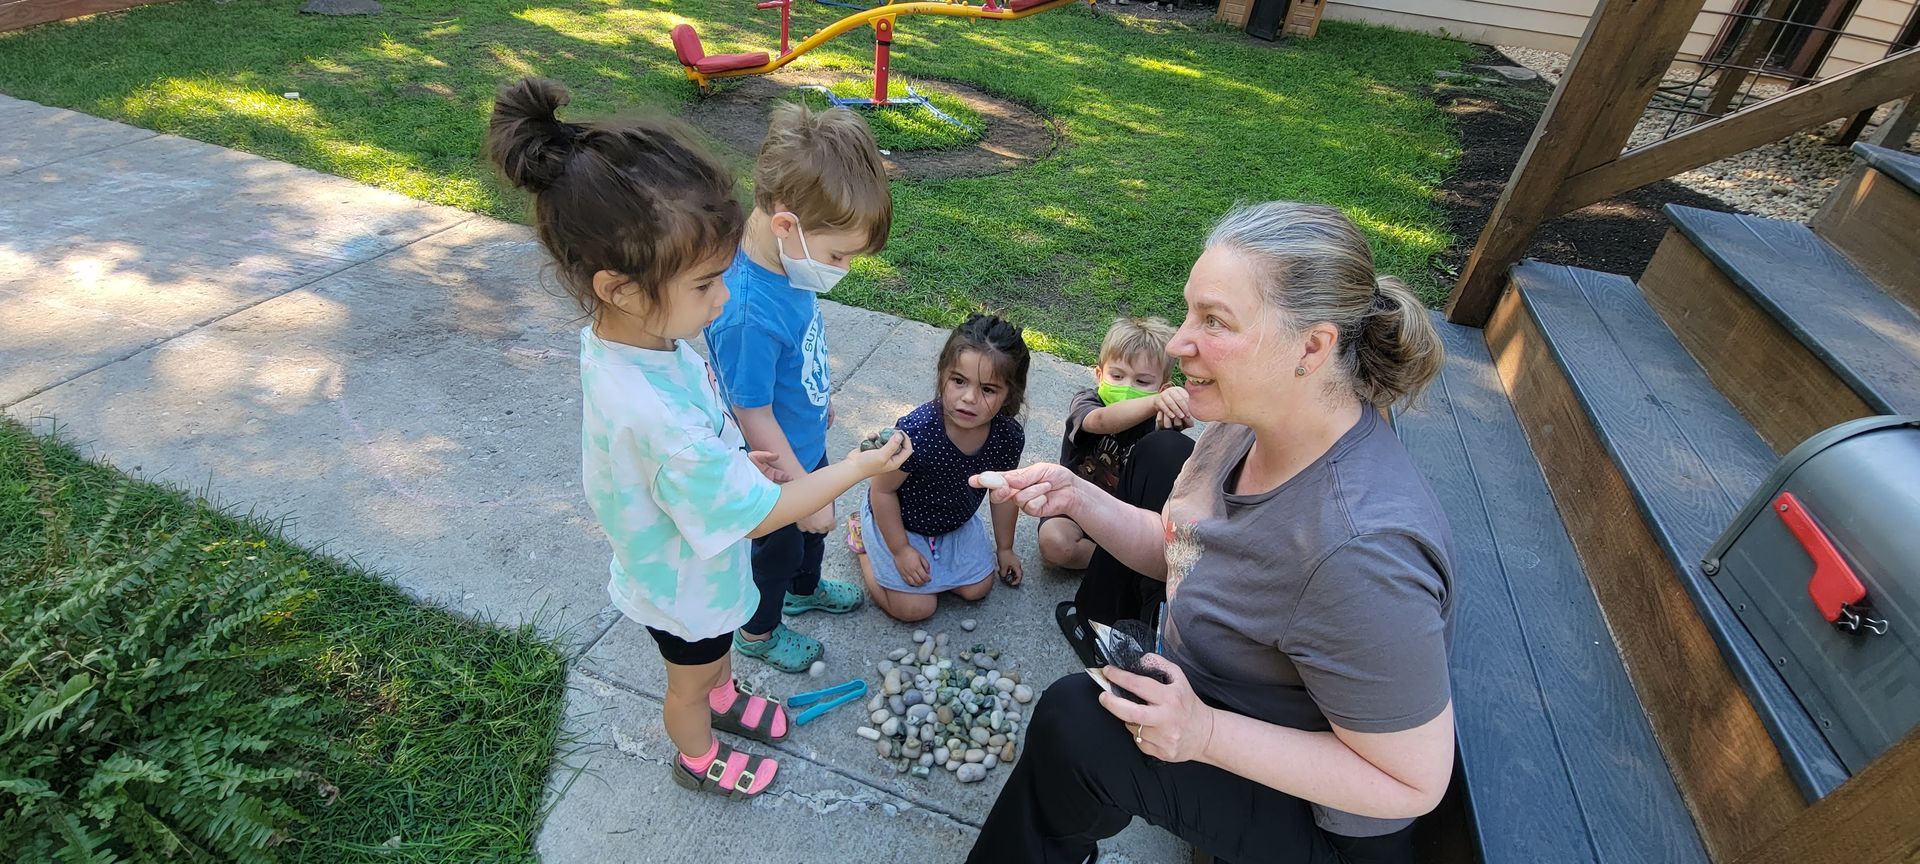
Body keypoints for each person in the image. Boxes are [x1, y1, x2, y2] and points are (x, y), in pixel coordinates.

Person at [966, 202, 1456, 863]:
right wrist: (1076, 496)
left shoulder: (1359, 552)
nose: (1176, 344)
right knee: (1158, 466)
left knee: (1075, 721)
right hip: (1234, 705)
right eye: (1190, 312)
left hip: (1327, 826)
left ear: (1312, 347)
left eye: (1215, 322)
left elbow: (1411, 782)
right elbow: (1181, 551)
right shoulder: (1245, 423)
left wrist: (1203, 734)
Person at [487, 78, 911, 799]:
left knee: (715, 659)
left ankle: (724, 692)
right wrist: (856, 468)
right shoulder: (656, 415)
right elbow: (751, 508)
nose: (723, 301)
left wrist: (730, 456)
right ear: (619, 285)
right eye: (708, 284)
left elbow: (689, 440)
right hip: (682, 585)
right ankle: (696, 752)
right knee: (689, 675)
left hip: (694, 552)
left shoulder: (639, 338)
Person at [705, 102, 894, 673]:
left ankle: (804, 589)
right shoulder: (745, 312)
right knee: (780, 545)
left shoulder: (787, 264)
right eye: (838, 255)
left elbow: (801, 343)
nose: (841, 268)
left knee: (814, 533)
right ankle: (760, 632)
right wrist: (806, 487)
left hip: (803, 436)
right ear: (787, 225)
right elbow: (751, 410)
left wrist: (821, 391)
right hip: (771, 465)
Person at [849, 314, 1030, 622]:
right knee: (916, 609)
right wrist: (900, 550)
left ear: (1009, 395)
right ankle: (863, 542)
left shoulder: (1008, 437)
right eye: (958, 381)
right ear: (942, 374)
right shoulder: (917, 433)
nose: (969, 398)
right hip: (899, 522)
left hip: (952, 524)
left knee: (978, 588)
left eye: (988, 389)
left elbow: (1003, 494)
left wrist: (1005, 549)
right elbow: (882, 490)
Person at [1037, 316, 1197, 627]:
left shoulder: (1156, 419)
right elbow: (1100, 423)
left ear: (1163, 387)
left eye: (1142, 381)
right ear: (1099, 374)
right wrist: (1153, 402)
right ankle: (1121, 560)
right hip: (1074, 507)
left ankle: (1126, 559)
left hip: (1125, 517)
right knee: (1054, 544)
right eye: (1117, 375)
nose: (1126, 387)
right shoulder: (1086, 402)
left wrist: (1173, 423)